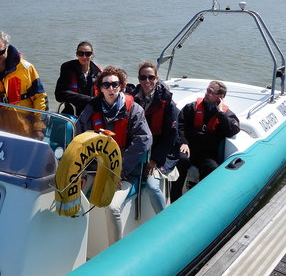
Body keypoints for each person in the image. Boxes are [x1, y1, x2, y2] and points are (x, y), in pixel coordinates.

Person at [76, 66, 152, 245]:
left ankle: (114, 252)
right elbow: (79, 139)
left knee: (111, 207)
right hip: (95, 168)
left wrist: (119, 171)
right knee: (75, 197)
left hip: (125, 172)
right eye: (106, 85)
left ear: (122, 86)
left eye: (115, 84)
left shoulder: (134, 110)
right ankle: (78, 249)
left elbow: (144, 140)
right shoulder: (90, 110)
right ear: (100, 88)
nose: (111, 89)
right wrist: (81, 171)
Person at [0, 28, 47, 139]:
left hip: (25, 131)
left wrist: (38, 128)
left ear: (7, 47)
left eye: (0, 52)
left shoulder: (26, 69)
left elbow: (40, 99)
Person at [172, 81, 240, 199]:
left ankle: (200, 199)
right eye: (207, 90)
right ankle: (175, 198)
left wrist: (220, 113)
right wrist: (183, 142)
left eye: (211, 92)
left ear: (221, 97)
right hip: (189, 148)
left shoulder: (226, 115)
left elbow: (233, 130)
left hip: (206, 155)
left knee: (212, 168)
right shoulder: (191, 107)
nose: (207, 93)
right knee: (181, 160)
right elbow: (180, 126)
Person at [127, 62, 178, 213]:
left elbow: (171, 135)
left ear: (157, 79)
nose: (147, 81)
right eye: (143, 77)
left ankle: (164, 220)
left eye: (151, 77)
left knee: (151, 185)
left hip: (159, 152)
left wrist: (155, 159)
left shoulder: (167, 102)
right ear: (138, 79)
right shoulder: (132, 99)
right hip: (137, 149)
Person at [55, 41, 101, 116]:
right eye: (81, 53)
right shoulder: (67, 68)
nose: (84, 57)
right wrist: (88, 99)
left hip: (90, 114)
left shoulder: (98, 73)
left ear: (92, 55)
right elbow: (59, 95)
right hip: (71, 112)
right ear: (76, 54)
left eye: (87, 54)